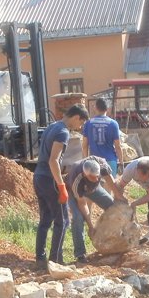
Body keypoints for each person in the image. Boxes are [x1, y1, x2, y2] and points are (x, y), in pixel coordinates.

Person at [33, 104, 89, 267]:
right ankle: (55, 260)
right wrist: (61, 186)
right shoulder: (63, 132)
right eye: (81, 124)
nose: (79, 127)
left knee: (46, 219)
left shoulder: (52, 126)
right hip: (49, 179)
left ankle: (40, 259)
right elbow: (54, 160)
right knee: (63, 221)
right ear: (77, 117)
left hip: (38, 176)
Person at [66, 156, 124, 263]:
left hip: (94, 189)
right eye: (93, 177)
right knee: (78, 218)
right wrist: (91, 227)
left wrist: (120, 198)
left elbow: (111, 183)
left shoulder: (102, 165)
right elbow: (82, 204)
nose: (97, 179)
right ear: (85, 174)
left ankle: (121, 240)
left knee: (113, 207)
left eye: (98, 176)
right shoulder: (76, 180)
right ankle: (80, 254)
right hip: (74, 193)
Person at [82, 98, 124, 175]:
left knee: (95, 186)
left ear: (95, 108)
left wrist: (86, 160)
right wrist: (121, 162)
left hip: (94, 162)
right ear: (107, 109)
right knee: (110, 186)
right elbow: (118, 146)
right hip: (110, 161)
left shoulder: (88, 124)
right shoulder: (113, 124)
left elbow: (84, 145)